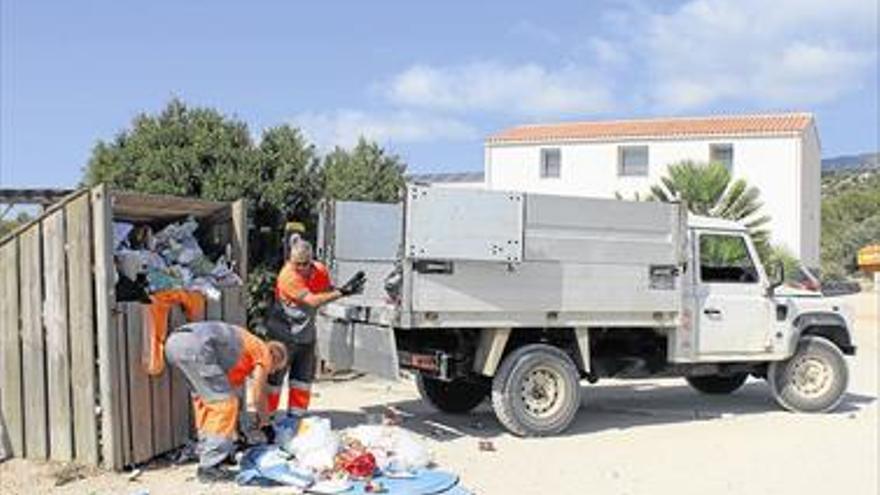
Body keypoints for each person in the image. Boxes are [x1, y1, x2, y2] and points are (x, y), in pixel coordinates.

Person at [164, 321, 289, 483]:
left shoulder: (241, 352)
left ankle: (208, 452)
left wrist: (235, 439)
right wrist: (265, 423)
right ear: (275, 356)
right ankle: (210, 467)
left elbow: (227, 398)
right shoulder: (263, 351)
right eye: (276, 368)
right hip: (197, 347)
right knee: (225, 405)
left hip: (174, 343)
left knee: (206, 402)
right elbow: (258, 393)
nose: (272, 372)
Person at [265, 239, 366, 417]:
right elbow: (312, 300)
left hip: (305, 335)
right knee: (274, 381)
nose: (302, 268)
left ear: (311, 260)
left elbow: (326, 290)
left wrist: (343, 289)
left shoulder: (319, 270)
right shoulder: (287, 275)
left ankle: (296, 419)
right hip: (282, 336)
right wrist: (342, 292)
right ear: (290, 260)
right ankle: (265, 418)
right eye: (297, 264)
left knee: (302, 382)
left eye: (305, 264)